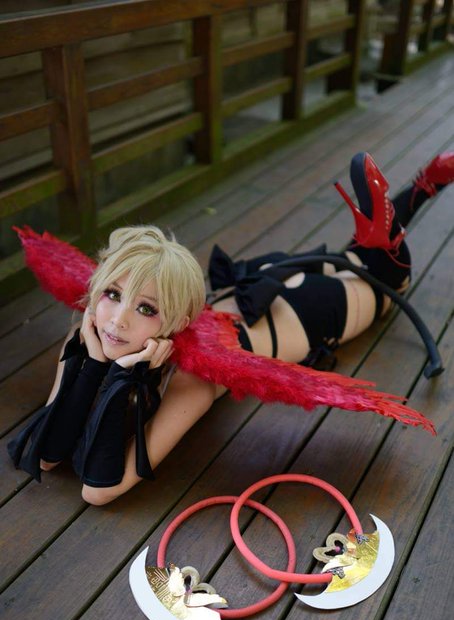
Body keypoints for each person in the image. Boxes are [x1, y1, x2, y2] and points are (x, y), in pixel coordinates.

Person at [8, 151, 454, 505]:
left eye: (145, 308)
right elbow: (45, 456)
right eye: (111, 294)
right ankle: (421, 187)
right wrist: (90, 363)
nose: (119, 319)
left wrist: (122, 373)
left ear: (174, 323)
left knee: (385, 280)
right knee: (357, 256)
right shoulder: (89, 336)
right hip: (245, 291)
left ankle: (417, 193)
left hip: (301, 314)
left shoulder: (191, 380)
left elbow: (99, 490)